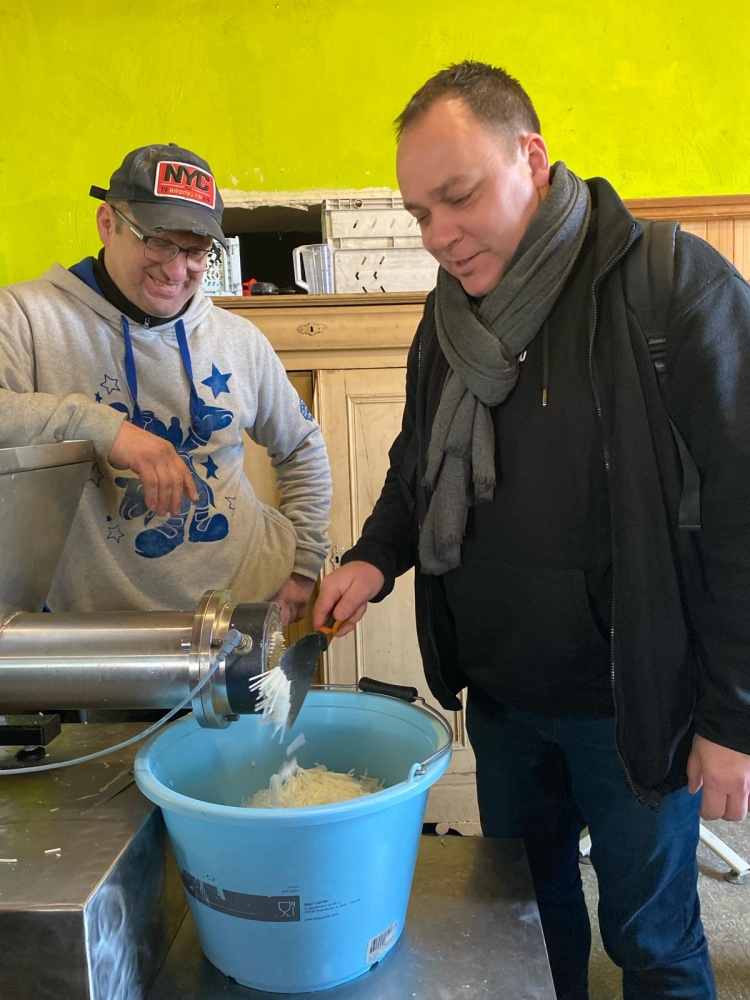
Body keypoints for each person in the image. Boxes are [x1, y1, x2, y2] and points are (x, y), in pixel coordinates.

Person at [314, 61, 750, 999]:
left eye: (459, 196)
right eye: (419, 213)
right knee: (521, 926)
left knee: (652, 943)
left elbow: (742, 516)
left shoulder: (671, 285)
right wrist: (373, 557)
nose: (438, 234)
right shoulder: (448, 319)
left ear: (533, 159)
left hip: (635, 708)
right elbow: (417, 464)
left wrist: (734, 720)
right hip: (504, 702)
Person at [0, 143, 331, 623]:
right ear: (108, 223)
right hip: (95, 632)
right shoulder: (24, 316)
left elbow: (301, 445)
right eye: (157, 241)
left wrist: (303, 568)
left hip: (240, 615)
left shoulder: (240, 339)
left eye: (196, 251)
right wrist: (105, 429)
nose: (176, 270)